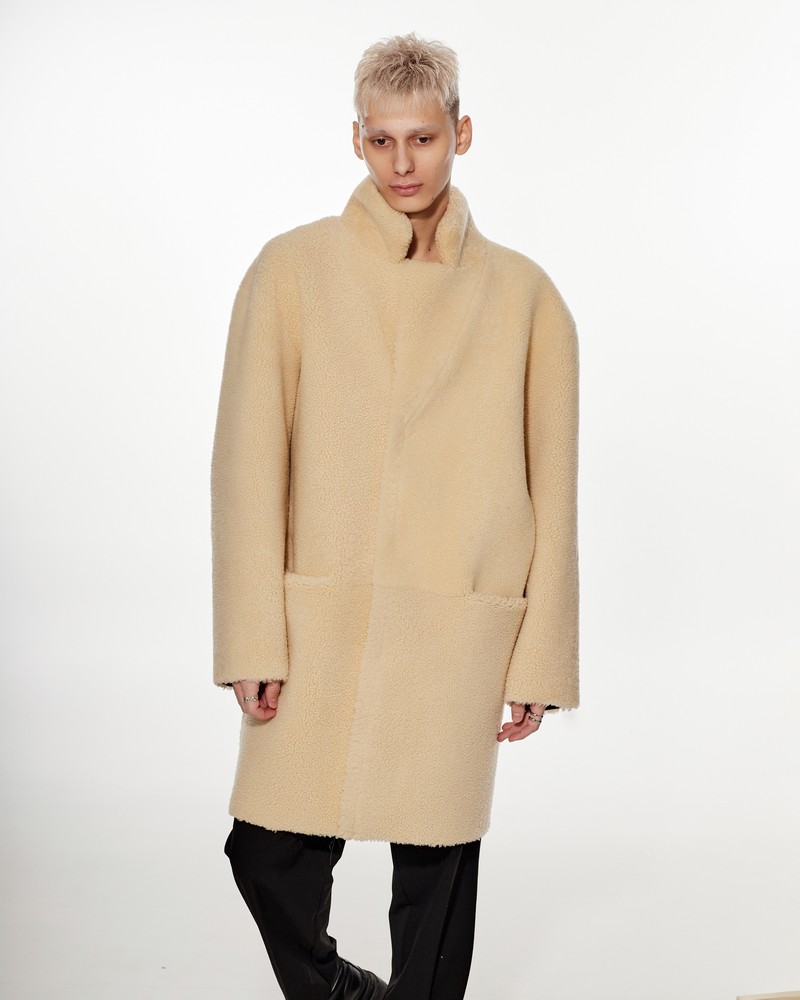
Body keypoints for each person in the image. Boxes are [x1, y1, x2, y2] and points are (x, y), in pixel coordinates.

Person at [210, 32, 579, 1000]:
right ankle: (337, 990)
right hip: (316, 620)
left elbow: (555, 490)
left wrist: (538, 658)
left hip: (456, 622)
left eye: (422, 138)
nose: (402, 163)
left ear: (462, 133)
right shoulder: (291, 271)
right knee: (266, 851)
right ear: (356, 139)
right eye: (381, 140)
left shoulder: (525, 298)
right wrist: (252, 636)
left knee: (437, 869)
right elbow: (246, 468)